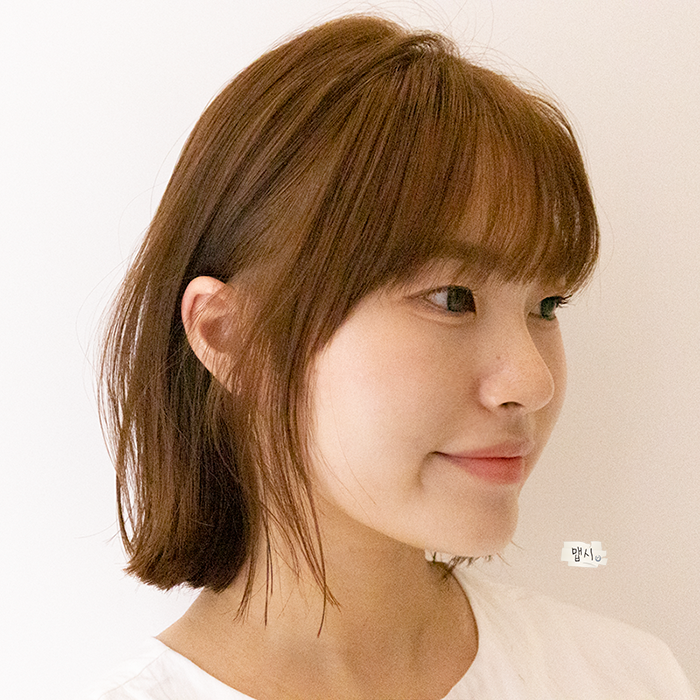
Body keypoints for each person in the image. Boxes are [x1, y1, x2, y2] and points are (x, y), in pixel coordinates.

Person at [89, 14, 697, 700]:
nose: (534, 381)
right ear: (234, 336)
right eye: (452, 298)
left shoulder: (627, 679)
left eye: (547, 305)